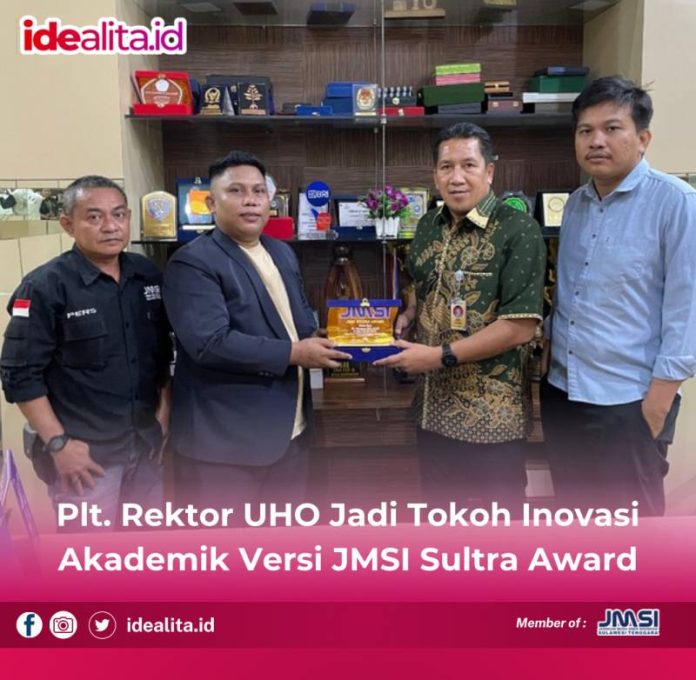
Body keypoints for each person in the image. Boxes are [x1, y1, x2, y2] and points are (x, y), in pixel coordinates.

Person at [542, 76, 696, 516]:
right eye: (585, 130)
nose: (596, 141)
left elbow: (688, 310)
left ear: (643, 139)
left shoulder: (677, 203)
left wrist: (658, 404)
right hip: (564, 394)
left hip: (629, 403)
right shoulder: (575, 204)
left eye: (612, 128)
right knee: (577, 523)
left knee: (634, 533)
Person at [163, 150, 350, 509]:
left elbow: (296, 325)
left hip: (290, 435)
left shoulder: (281, 252)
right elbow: (209, 343)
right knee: (228, 543)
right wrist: (296, 352)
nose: (250, 200)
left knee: (282, 540)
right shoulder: (192, 262)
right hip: (226, 448)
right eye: (236, 191)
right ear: (211, 203)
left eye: (259, 191)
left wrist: (322, 338)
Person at [375, 122, 546, 510]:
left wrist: (438, 357)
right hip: (431, 412)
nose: (456, 178)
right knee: (442, 526)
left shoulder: (518, 230)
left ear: (489, 171)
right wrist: (410, 313)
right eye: (446, 167)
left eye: (468, 165)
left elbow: (519, 327)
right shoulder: (427, 225)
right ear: (435, 174)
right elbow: (421, 283)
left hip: (492, 422)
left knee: (497, 533)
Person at [0, 176, 171, 530]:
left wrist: (163, 415)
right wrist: (59, 444)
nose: (110, 226)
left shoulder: (146, 276)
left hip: (145, 448)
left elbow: (161, 355)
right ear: (68, 224)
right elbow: (19, 375)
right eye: (94, 217)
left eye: (118, 214)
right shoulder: (44, 286)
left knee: (146, 554)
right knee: (88, 558)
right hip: (86, 459)